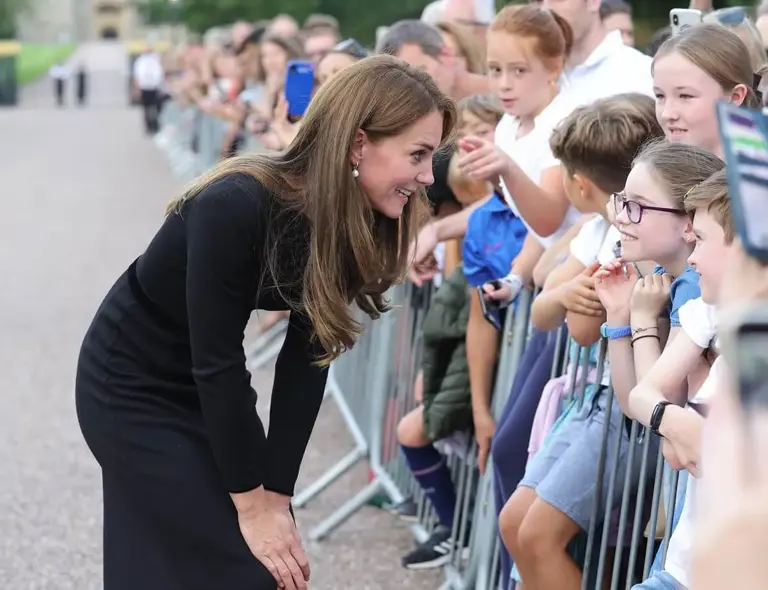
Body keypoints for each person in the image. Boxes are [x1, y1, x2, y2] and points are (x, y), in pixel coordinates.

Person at [75, 55, 456, 590]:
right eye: (417, 155)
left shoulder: (352, 217)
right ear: (357, 143)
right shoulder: (234, 203)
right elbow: (218, 363)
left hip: (206, 383)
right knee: (238, 565)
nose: (428, 176)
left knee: (263, 567)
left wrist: (276, 493)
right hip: (131, 385)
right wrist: (252, 506)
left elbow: (308, 358)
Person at [132, 45, 165, 135]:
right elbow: (137, 75)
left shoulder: (155, 60)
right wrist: (136, 88)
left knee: (155, 107)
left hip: (154, 86)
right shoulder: (140, 61)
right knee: (146, 108)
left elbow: (160, 73)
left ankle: (155, 125)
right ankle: (149, 127)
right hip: (144, 87)